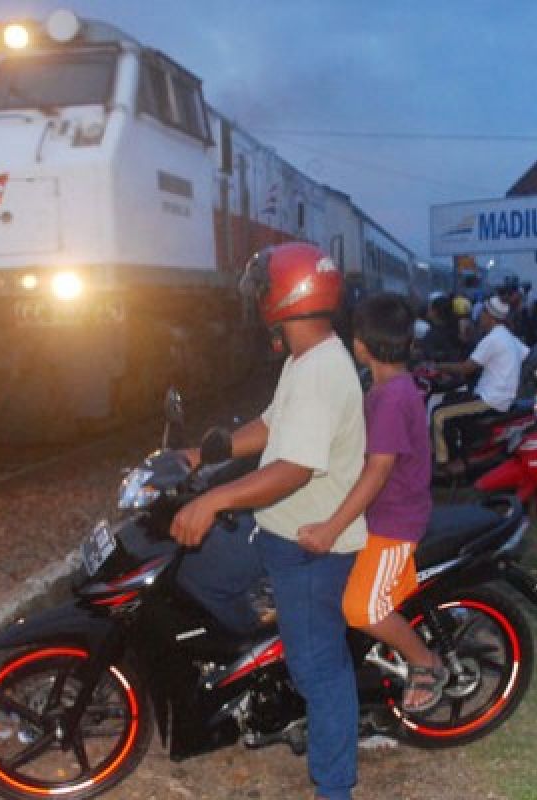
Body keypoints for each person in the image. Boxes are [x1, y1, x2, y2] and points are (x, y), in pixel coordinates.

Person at [171, 241, 364, 800]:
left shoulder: (322, 371)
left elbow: (293, 469)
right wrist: (210, 451)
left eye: (262, 289)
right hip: (279, 529)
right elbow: (271, 425)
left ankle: (334, 788)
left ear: (285, 296)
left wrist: (213, 499)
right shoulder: (304, 358)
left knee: (319, 671)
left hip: (310, 545)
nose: (256, 300)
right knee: (209, 578)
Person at [295, 293, 446, 713]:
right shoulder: (385, 389)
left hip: (393, 524)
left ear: (359, 345)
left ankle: (425, 661)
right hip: (377, 515)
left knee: (362, 608)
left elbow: (378, 471)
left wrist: (330, 528)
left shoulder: (393, 398)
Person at [429, 296, 529, 475]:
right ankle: (460, 451)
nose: (479, 316)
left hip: (490, 399)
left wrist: (437, 366)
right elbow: (526, 355)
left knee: (439, 414)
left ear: (489, 316)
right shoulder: (508, 337)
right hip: (501, 396)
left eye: (482, 313)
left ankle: (445, 464)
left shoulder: (493, 338)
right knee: (451, 400)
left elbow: (467, 368)